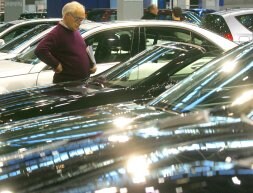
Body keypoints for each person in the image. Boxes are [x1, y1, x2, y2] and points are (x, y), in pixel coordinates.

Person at [35, 1, 96, 83]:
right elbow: (40, 50)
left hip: (80, 83)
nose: (80, 23)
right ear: (67, 16)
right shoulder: (57, 33)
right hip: (67, 85)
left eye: (82, 20)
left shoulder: (74, 31)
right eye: (78, 19)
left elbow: (84, 49)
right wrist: (56, 65)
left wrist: (92, 64)